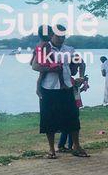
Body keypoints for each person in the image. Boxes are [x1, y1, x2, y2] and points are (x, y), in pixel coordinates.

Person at [33, 25, 88, 159]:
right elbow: (35, 66)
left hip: (67, 87)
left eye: (63, 36)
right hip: (49, 88)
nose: (61, 39)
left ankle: (76, 146)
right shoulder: (44, 49)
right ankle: (52, 149)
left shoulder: (69, 50)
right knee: (48, 119)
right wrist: (51, 69)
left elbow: (81, 63)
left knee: (73, 118)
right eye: (58, 36)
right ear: (52, 35)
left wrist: (81, 77)